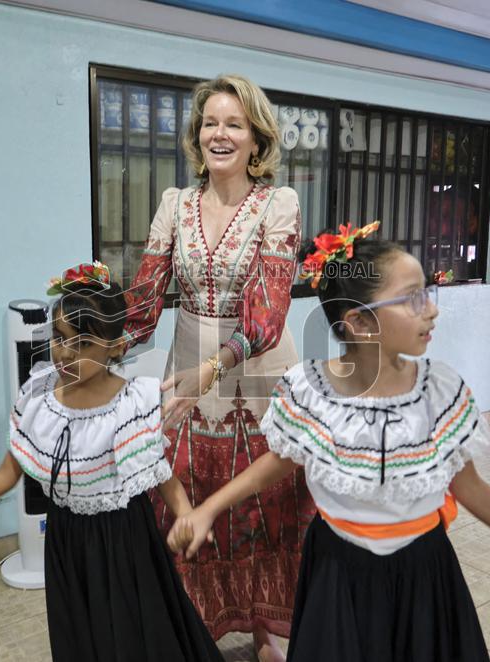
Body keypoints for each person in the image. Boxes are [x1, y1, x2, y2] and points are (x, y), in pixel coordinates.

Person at [169, 224, 490, 661]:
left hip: (424, 574)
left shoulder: (440, 392)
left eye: (428, 293)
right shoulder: (309, 391)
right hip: (339, 573)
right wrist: (208, 508)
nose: (431, 310)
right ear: (358, 322)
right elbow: (281, 460)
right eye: (413, 298)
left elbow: (468, 486)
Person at [0, 263, 223, 662]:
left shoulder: (132, 404)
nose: (65, 353)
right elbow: (6, 474)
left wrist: (187, 515)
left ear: (116, 347)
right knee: (81, 635)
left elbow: (161, 476)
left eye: (82, 344)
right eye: (59, 337)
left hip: (124, 543)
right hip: (66, 540)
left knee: (132, 637)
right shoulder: (39, 397)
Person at [123, 73, 313, 660]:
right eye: (210, 123)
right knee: (189, 498)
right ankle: (195, 628)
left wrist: (218, 364)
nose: (220, 134)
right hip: (187, 375)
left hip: (257, 372)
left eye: (234, 124)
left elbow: (269, 311)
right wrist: (91, 347)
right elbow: (146, 295)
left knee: (266, 505)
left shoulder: (278, 203)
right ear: (196, 134)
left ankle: (264, 631)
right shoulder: (172, 205)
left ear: (257, 139)